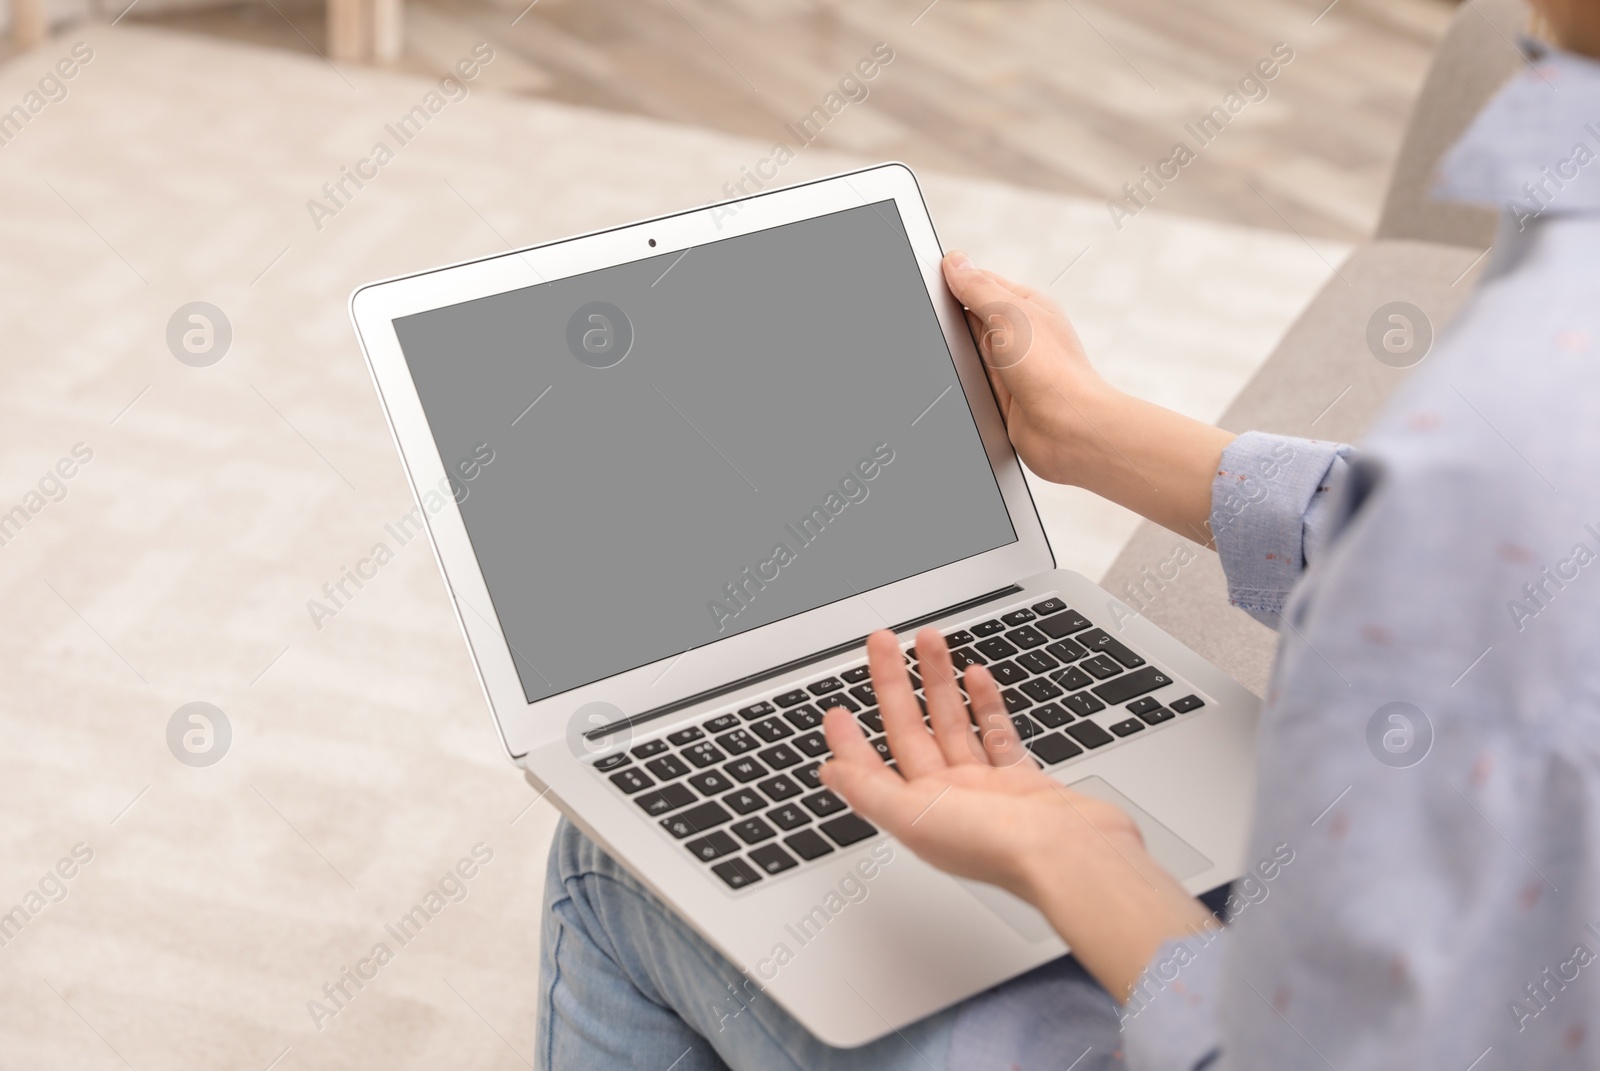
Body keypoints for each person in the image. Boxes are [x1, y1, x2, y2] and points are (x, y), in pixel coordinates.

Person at [536, 3, 1600, 1066]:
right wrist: (1088, 430)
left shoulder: (1526, 408)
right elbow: (1485, 563)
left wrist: (1086, 861)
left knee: (611, 864)